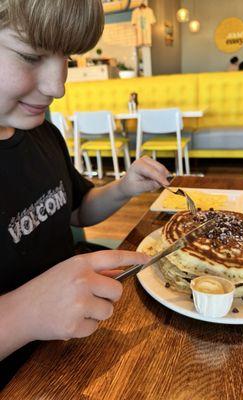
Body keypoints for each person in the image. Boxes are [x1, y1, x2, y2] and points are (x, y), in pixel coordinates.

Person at [0, 0, 170, 388]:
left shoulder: (43, 133)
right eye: (30, 54)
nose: (57, 87)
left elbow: (76, 211)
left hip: (76, 350)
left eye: (69, 60)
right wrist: (25, 312)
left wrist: (124, 187)